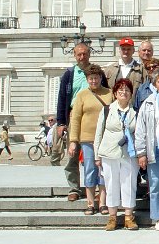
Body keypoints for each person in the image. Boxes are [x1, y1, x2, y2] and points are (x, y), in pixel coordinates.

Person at [54, 43, 100, 201]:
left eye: (85, 54)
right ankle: (74, 188)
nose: (82, 57)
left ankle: (95, 187)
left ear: (89, 54)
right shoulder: (69, 74)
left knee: (94, 155)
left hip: (93, 117)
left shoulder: (97, 72)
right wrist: (61, 122)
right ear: (74, 55)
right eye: (79, 54)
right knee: (72, 154)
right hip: (74, 116)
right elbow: (62, 98)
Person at [68, 63, 113, 215]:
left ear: (101, 78)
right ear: (87, 79)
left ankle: (103, 203)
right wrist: (73, 141)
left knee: (103, 171)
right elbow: (75, 119)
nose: (94, 81)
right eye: (91, 78)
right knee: (90, 169)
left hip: (106, 139)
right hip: (87, 139)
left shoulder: (109, 93)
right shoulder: (81, 95)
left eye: (96, 78)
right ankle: (90, 203)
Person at [94, 78, 138, 231]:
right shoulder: (107, 110)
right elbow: (98, 133)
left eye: (127, 90)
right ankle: (112, 217)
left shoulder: (135, 111)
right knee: (111, 184)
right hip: (109, 152)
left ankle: (128, 217)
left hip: (129, 153)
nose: (123, 93)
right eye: (120, 90)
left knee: (129, 184)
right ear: (115, 93)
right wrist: (97, 156)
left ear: (131, 94)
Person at [135, 69, 159, 231]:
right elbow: (140, 129)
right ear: (155, 84)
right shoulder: (148, 102)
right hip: (155, 148)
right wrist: (141, 153)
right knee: (157, 183)